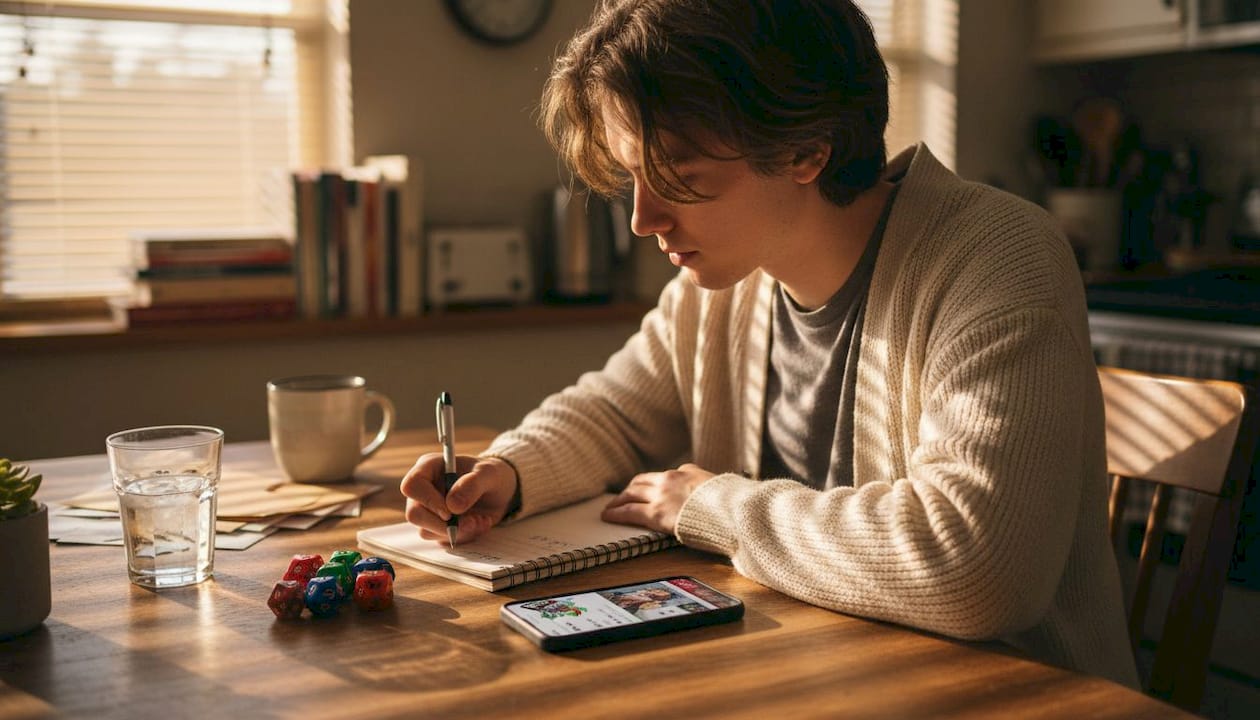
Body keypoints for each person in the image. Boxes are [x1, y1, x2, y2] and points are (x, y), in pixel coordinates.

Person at [402, 0, 1139, 687]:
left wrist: (714, 506)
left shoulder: (997, 257)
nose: (642, 220)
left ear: (804, 152)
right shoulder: (722, 288)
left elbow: (976, 569)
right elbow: (615, 415)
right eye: (633, 177)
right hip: (816, 677)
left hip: (1015, 694)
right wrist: (508, 472)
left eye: (677, 179)